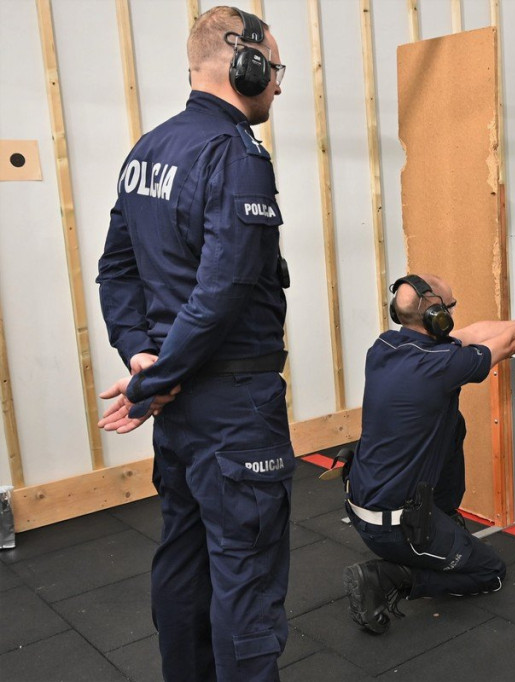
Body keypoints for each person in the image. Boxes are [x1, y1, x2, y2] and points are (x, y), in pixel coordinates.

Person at [95, 7, 291, 681]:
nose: (278, 85)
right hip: (233, 406)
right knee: (246, 577)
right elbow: (223, 290)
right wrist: (153, 378)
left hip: (180, 404)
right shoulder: (235, 153)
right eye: (275, 68)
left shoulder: (147, 150)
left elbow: (116, 269)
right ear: (247, 64)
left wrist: (141, 356)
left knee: (184, 556)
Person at [343, 273, 515, 634]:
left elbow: (476, 333)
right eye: (450, 307)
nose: (453, 314)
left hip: (364, 506)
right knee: (490, 572)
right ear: (436, 316)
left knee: (452, 422)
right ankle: (390, 576)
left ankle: (442, 520)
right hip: (395, 528)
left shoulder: (384, 347)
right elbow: (506, 345)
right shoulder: (441, 365)